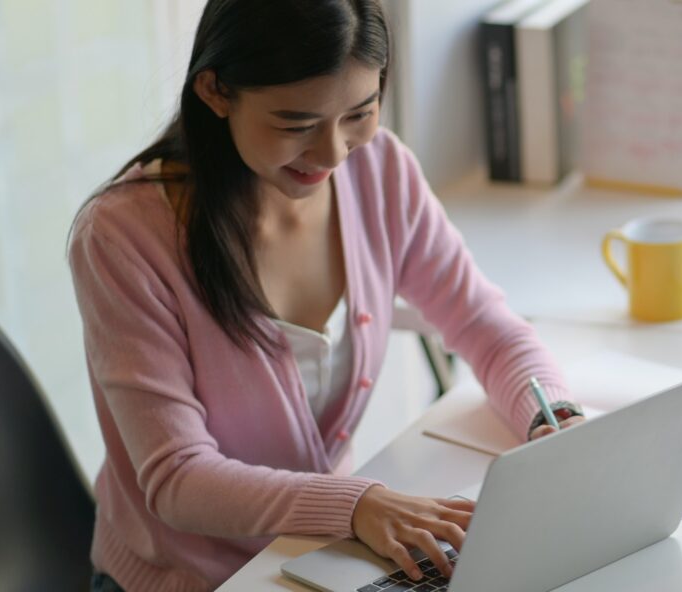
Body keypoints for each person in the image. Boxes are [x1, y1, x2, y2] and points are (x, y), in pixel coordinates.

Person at [68, 1, 584, 590]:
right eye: (296, 125)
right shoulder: (123, 237)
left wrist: (552, 417)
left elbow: (485, 323)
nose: (334, 154)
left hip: (323, 559)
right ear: (215, 91)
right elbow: (178, 479)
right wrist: (356, 505)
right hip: (193, 577)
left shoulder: (380, 171)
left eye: (359, 113)